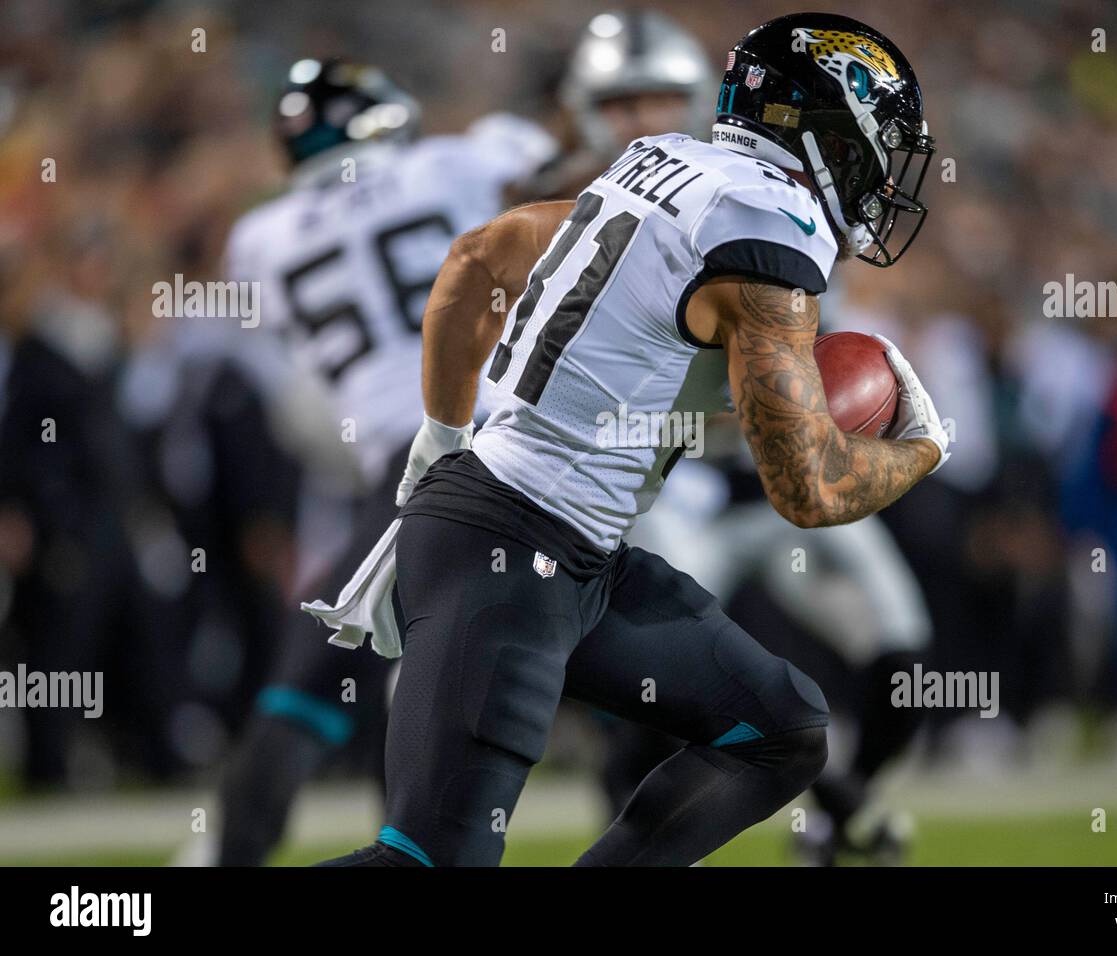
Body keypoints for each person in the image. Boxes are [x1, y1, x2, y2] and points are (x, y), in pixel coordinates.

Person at [318, 13, 949, 867]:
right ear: (825, 131)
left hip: (570, 548)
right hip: (510, 546)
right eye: (874, 144)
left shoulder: (664, 163)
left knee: (781, 730)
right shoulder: (768, 224)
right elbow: (810, 488)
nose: (879, 171)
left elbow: (475, 258)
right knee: (431, 862)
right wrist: (921, 446)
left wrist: (441, 433)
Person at [210, 58, 555, 865]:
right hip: (504, 445)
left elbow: (286, 373)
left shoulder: (256, 240)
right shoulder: (461, 161)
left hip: (405, 462)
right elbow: (567, 175)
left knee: (313, 694)